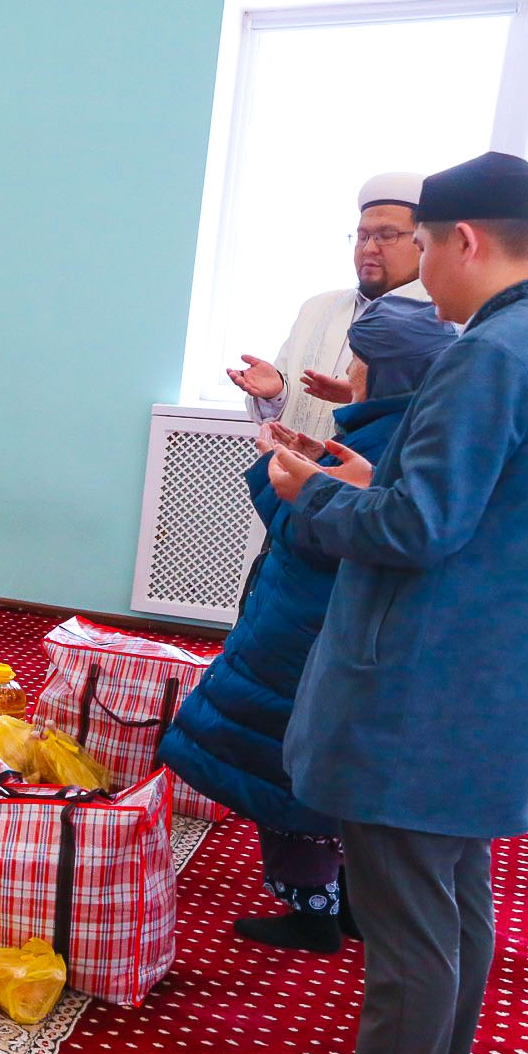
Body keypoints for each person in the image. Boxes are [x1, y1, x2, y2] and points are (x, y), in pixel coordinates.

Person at [249, 150, 528, 1054]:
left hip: (431, 676)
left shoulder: (493, 352)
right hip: (502, 666)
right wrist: (371, 477)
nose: (420, 272)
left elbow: (417, 528)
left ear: (463, 240)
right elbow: (485, 503)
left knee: (408, 906)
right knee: (456, 892)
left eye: (419, 246)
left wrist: (312, 497)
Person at [159, 296, 459, 954]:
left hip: (304, 637)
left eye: (357, 364)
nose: (347, 374)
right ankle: (351, 906)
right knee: (334, 786)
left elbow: (316, 532)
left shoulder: (384, 436)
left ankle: (311, 911)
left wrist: (277, 473)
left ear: (381, 371)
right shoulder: (422, 431)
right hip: (340, 635)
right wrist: (311, 460)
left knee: (287, 782)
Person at [228, 172, 430, 442]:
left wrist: (361, 396)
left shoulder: (440, 318)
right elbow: (276, 410)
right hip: (289, 465)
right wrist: (276, 392)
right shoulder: (317, 308)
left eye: (386, 235)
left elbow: (436, 419)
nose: (368, 249)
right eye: (362, 236)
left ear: (423, 241)